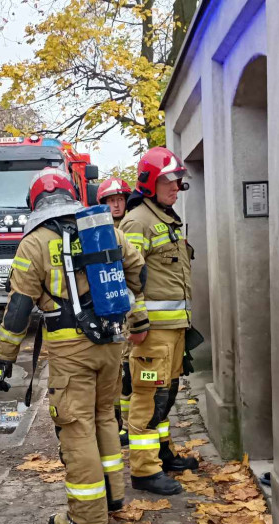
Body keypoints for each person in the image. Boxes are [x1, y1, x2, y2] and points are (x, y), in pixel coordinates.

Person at [0, 168, 149, 524]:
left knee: (76, 426)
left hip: (69, 349)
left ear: (35, 203)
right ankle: (112, 496)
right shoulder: (101, 228)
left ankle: (87, 515)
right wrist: (126, 308)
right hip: (111, 342)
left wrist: (5, 358)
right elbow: (138, 273)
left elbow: (18, 308)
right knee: (104, 417)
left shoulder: (33, 243)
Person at [119, 147, 198, 496]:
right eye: (168, 179)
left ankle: (162, 455)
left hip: (173, 331)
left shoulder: (167, 219)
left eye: (177, 180)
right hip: (151, 333)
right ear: (150, 182)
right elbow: (124, 274)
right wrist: (136, 321)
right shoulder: (138, 221)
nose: (175, 186)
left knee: (166, 395)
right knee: (147, 398)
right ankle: (144, 470)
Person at [97, 178, 134, 446]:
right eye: (111, 200)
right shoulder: (97, 233)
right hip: (111, 313)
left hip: (134, 312)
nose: (117, 204)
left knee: (131, 371)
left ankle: (129, 424)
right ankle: (118, 420)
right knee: (116, 372)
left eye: (120, 199)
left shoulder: (132, 227)